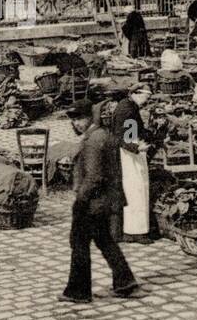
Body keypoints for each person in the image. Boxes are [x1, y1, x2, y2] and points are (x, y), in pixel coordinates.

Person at [61, 100, 140, 303]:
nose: (76, 124)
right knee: (105, 240)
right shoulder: (102, 135)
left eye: (79, 118)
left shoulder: (94, 140)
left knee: (79, 243)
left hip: (93, 202)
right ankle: (125, 281)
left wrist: (81, 200)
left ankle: (78, 291)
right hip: (106, 200)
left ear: (90, 117)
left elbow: (94, 176)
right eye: (73, 120)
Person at [111, 82, 153, 243]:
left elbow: (136, 129)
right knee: (136, 190)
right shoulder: (127, 110)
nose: (147, 100)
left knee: (135, 190)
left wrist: (151, 136)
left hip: (129, 151)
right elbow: (123, 136)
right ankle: (136, 232)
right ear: (136, 93)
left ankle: (132, 230)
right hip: (129, 155)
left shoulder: (129, 106)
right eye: (146, 96)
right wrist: (137, 147)